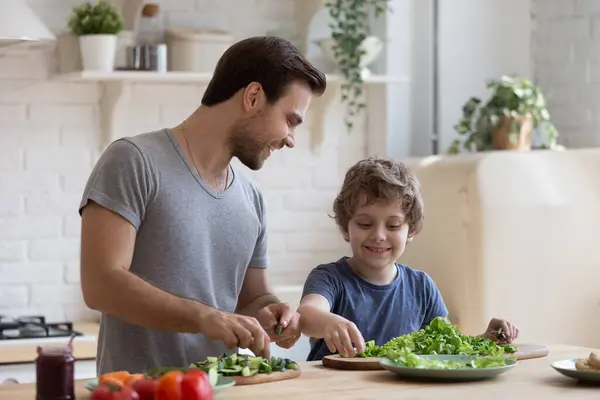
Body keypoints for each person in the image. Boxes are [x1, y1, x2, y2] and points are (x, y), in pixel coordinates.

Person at [78, 36, 327, 374]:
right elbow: (100, 284)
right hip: (140, 394)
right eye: (291, 120)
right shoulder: (133, 161)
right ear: (253, 97)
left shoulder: (250, 198)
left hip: (222, 390)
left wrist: (272, 313)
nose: (290, 139)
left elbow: (252, 299)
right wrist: (202, 317)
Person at [297, 157, 519, 361]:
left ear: (410, 230)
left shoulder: (422, 287)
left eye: (393, 225)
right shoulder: (329, 278)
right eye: (365, 224)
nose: (378, 236)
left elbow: (448, 349)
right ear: (346, 227)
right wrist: (329, 322)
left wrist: (485, 339)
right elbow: (306, 315)